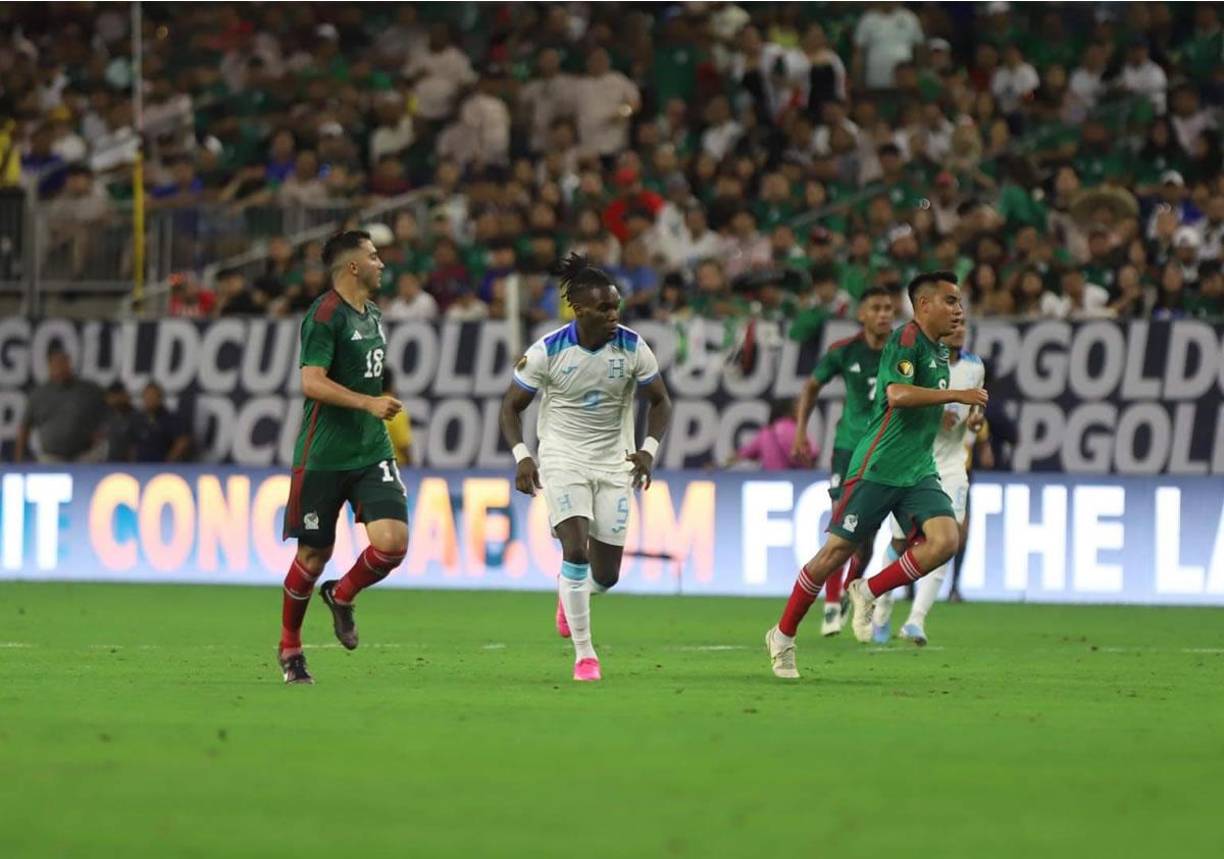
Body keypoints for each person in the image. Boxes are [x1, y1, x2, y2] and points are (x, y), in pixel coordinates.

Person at [765, 271, 987, 678]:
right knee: (835, 554)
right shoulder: (906, 340)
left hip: (918, 470)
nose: (959, 310)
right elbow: (897, 395)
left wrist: (962, 414)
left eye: (959, 302)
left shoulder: (939, 351)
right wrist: (956, 394)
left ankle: (867, 590)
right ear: (924, 305)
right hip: (878, 467)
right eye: (950, 301)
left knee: (945, 540)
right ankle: (782, 636)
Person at [500, 253, 673, 682]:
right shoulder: (548, 351)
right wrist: (523, 456)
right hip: (562, 459)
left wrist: (648, 450)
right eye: (604, 308)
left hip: (615, 463)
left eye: (616, 306)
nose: (613, 315)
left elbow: (660, 402)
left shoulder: (632, 346)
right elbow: (510, 407)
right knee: (575, 552)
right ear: (578, 309)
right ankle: (585, 656)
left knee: (607, 575)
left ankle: (568, 593)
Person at [277, 230, 410, 684]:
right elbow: (311, 382)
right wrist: (368, 402)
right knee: (313, 556)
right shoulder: (324, 316)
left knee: (392, 543)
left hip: (371, 449)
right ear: (353, 266)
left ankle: (343, 594)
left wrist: (372, 408)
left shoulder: (373, 314)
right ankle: (290, 649)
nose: (381, 264)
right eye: (374, 257)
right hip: (324, 455)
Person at [873, 320, 989, 646]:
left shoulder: (975, 366)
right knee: (900, 542)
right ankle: (881, 608)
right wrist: (936, 415)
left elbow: (975, 409)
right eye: (955, 323)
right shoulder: (921, 361)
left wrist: (976, 420)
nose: (960, 329)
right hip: (916, 462)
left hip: (952, 465)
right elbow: (899, 402)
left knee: (947, 541)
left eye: (964, 324)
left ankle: (916, 620)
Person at [791, 286, 895, 636]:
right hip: (849, 449)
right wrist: (801, 431)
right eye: (876, 308)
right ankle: (832, 603)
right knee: (841, 525)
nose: (883, 314)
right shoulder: (844, 351)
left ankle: (853, 586)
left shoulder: (902, 352)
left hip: (885, 451)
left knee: (866, 538)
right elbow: (811, 387)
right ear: (862, 315)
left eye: (888, 308)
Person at [15, 347, 107, 463]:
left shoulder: (88, 390)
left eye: (63, 362)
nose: (60, 367)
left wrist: (101, 433)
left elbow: (107, 415)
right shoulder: (38, 394)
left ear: (69, 364)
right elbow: (25, 427)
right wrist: (19, 458)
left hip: (84, 456)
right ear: (49, 366)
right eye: (56, 364)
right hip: (51, 458)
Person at [721, 399, 813, 470]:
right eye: (798, 407)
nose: (802, 410)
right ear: (788, 411)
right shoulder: (796, 430)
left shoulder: (765, 432)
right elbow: (813, 452)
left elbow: (740, 455)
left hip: (769, 483)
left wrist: (720, 467)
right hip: (796, 482)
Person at [131, 381, 193, 462]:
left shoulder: (170, 419)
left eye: (153, 396)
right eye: (147, 396)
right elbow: (133, 446)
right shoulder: (138, 419)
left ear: (160, 398)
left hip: (161, 467)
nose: (149, 399)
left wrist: (168, 462)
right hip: (140, 466)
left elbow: (182, 441)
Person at [382, 369, 413, 466]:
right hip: (396, 467)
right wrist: (411, 466)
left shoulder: (366, 407)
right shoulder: (395, 409)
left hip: (371, 468)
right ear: (391, 385)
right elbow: (403, 445)